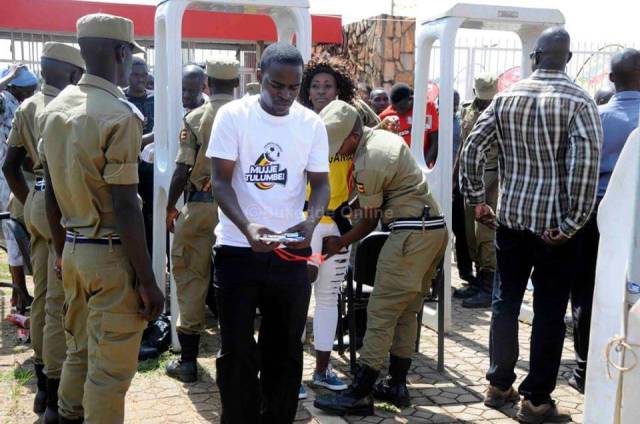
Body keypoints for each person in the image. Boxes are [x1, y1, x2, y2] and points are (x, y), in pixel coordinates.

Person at [460, 28, 601, 423]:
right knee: (550, 312)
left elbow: (472, 149)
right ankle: (536, 400)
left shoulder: (506, 98)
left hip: (512, 221)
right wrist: (572, 222)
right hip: (556, 230)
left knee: (505, 303)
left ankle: (498, 384)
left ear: (536, 57)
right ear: (568, 58)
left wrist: (476, 201)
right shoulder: (580, 102)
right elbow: (584, 170)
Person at [40, 13, 165, 423]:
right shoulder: (119, 114)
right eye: (131, 55)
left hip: (74, 249)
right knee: (109, 374)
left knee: (80, 351)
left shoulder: (56, 108)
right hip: (111, 256)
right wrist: (148, 282)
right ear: (121, 52)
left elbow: (52, 197)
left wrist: (61, 253)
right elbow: (126, 205)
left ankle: (65, 415)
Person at [206, 42, 330, 423]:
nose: (286, 96)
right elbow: (220, 182)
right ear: (260, 77)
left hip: (290, 252)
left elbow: (321, 185)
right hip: (238, 250)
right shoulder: (232, 116)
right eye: (277, 86)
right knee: (237, 350)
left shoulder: (310, 124)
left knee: (286, 349)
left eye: (294, 88)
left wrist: (311, 222)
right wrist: (247, 227)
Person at [314, 100, 448, 415]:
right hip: (432, 231)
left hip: (411, 235)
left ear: (352, 135)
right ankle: (396, 386)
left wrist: (340, 242)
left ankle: (359, 393)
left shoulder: (369, 159)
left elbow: (370, 220)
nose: (338, 152)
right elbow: (372, 198)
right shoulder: (381, 139)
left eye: (339, 145)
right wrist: (345, 208)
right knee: (406, 311)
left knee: (381, 311)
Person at [2, 42, 84, 423]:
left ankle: (42, 386)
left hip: (35, 199)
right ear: (72, 73)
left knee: (43, 299)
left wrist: (31, 199)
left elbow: (10, 165)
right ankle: (54, 396)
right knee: (58, 304)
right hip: (63, 204)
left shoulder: (28, 106)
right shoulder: (72, 105)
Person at [567, 48, 640, 394]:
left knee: (587, 291)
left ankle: (586, 369)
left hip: (595, 214)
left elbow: (577, 170)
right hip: (636, 219)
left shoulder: (594, 117)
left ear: (611, 79)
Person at [165, 57, 239, 382]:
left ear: (207, 83)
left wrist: (170, 206)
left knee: (191, 278)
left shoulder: (196, 117)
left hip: (199, 207)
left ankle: (189, 363)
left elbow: (182, 168)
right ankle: (236, 361)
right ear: (236, 84)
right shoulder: (250, 118)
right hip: (238, 212)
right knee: (237, 283)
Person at [454, 75, 499, 308]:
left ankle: (489, 284)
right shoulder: (466, 111)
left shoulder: (502, 109)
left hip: (492, 175)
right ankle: (478, 280)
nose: (485, 104)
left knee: (485, 232)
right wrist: (454, 177)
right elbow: (463, 146)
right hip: (468, 175)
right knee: (469, 232)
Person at [0, 64, 38, 311]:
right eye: (28, 90)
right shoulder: (4, 100)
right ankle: (20, 293)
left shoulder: (24, 106)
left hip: (15, 175)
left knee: (15, 233)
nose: (31, 95)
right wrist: (5, 81)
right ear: (15, 88)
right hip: (4, 179)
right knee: (13, 232)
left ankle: (19, 293)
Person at [124, 56, 155, 255]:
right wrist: (152, 137)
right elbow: (123, 140)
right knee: (136, 217)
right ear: (127, 75)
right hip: (128, 169)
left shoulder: (156, 99)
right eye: (136, 75)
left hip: (153, 171)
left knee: (154, 217)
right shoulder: (121, 101)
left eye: (144, 75)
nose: (140, 80)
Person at [299, 56, 381, 128]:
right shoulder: (300, 120)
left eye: (328, 86)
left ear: (337, 91)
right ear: (308, 91)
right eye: (315, 86)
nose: (321, 91)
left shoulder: (352, 116)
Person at [378, 83, 439, 166]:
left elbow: (435, 141)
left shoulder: (427, 107)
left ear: (411, 99)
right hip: (398, 168)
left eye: (402, 108)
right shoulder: (385, 116)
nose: (399, 111)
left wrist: (421, 166)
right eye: (395, 108)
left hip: (423, 164)